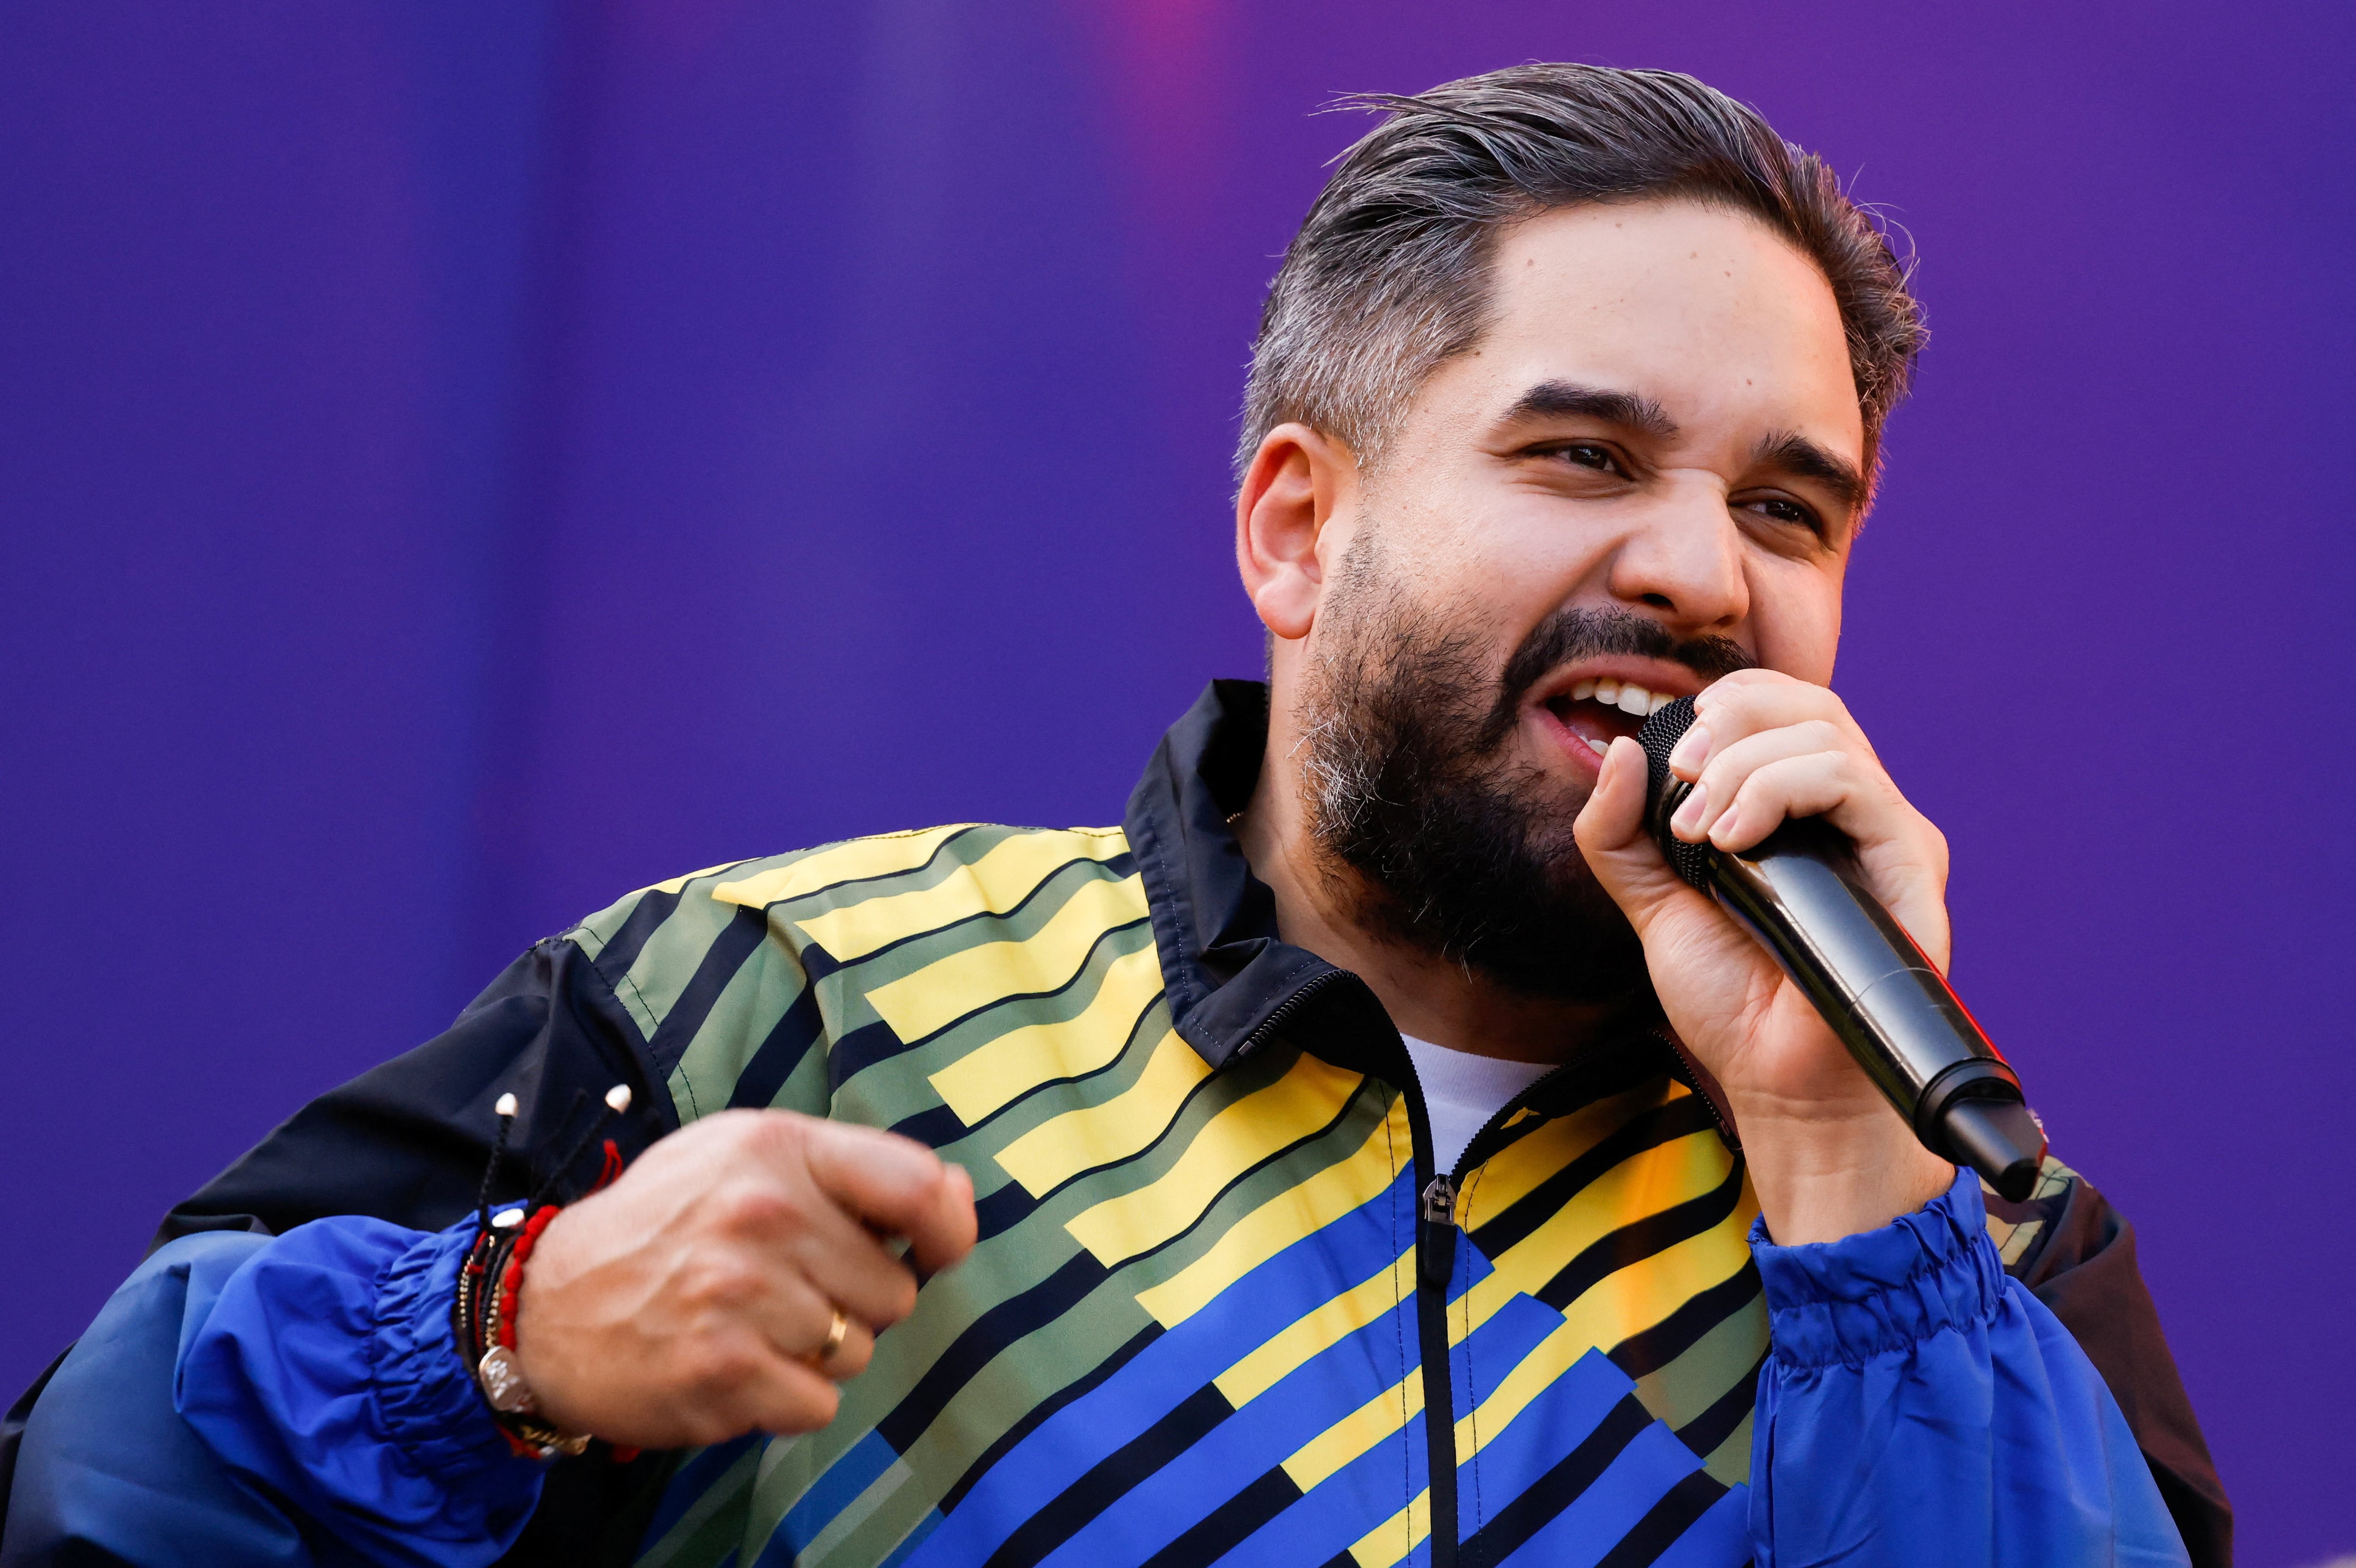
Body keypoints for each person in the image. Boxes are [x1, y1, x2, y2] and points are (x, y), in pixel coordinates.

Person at [0, 62, 2228, 1568]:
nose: (1697, 568)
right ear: (1296, 527)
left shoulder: (1957, 1222)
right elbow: (91, 1491)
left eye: (1785, 505)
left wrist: (1842, 1161)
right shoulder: (779, 1004)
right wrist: (507, 1336)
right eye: (1582, 455)